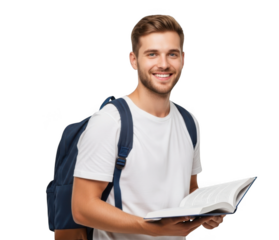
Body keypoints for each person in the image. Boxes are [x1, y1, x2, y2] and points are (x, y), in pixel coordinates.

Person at [71, 13, 226, 240]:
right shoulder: (110, 122)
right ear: (133, 60)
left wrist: (207, 213)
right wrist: (149, 228)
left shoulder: (190, 122)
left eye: (172, 54)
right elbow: (82, 208)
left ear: (183, 59)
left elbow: (190, 189)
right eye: (152, 54)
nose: (163, 64)